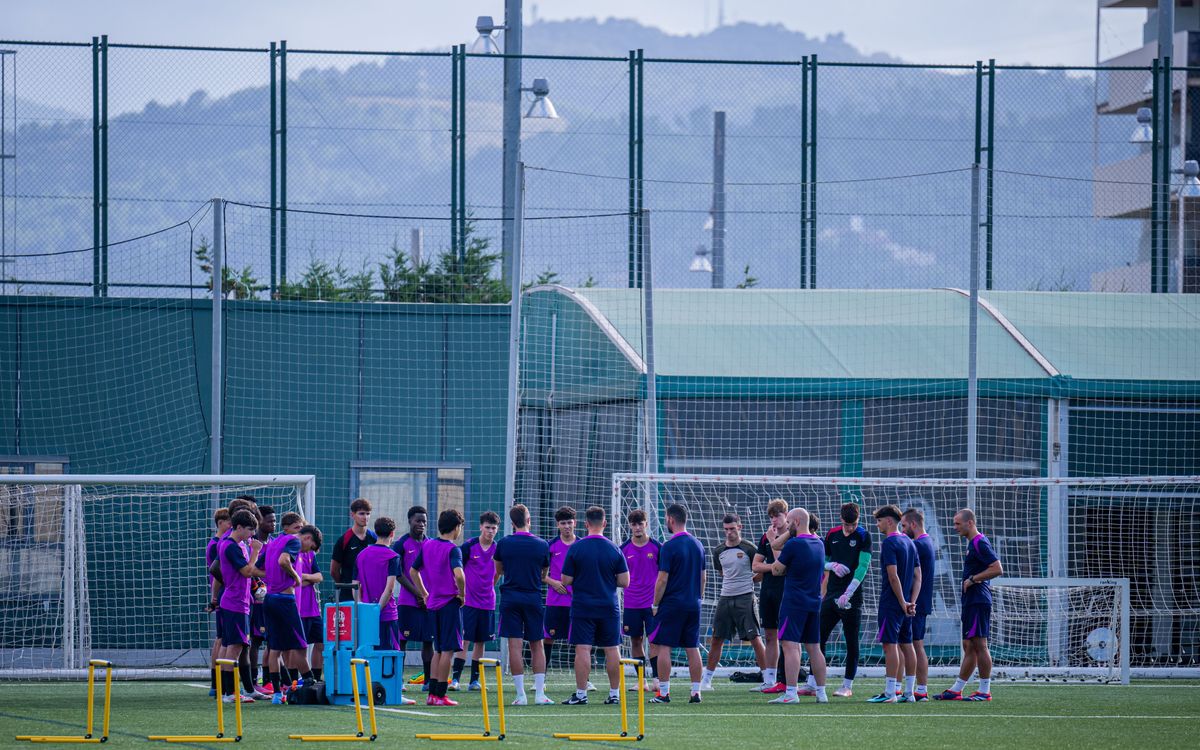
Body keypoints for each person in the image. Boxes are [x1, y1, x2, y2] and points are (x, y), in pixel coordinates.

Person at [560, 506, 629, 706]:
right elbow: (625, 581)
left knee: (583, 648)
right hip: (608, 606)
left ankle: (581, 695)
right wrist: (606, 580)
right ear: (604, 523)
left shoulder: (576, 547)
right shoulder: (614, 548)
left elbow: (565, 580)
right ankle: (614, 694)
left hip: (583, 605)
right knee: (612, 648)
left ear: (585, 524)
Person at [934, 508, 1002, 702]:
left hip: (978, 599)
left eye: (957, 523)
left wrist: (973, 579)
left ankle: (984, 691)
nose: (954, 527)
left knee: (980, 644)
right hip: (971, 600)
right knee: (968, 645)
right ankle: (957, 689)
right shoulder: (972, 543)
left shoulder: (980, 542)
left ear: (969, 523)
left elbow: (997, 568)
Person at [494, 504, 554, 705]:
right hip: (532, 597)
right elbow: (544, 573)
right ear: (529, 520)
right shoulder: (542, 544)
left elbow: (499, 569)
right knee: (537, 644)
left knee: (514, 645)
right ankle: (539, 695)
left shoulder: (503, 543)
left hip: (510, 597)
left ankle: (521, 696)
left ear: (512, 524)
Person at [768, 508, 828, 704]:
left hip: (794, 602)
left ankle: (791, 693)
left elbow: (776, 569)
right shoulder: (819, 543)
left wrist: (789, 532)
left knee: (790, 646)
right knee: (814, 648)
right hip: (813, 602)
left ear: (794, 522)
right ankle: (821, 693)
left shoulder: (794, 543)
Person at [701, 513, 765, 691]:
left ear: (740, 527)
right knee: (716, 639)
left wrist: (746, 581)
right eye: (726, 529)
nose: (729, 532)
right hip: (725, 598)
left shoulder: (750, 549)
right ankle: (706, 680)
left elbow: (760, 572)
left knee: (755, 638)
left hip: (746, 597)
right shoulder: (718, 551)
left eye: (732, 528)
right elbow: (723, 573)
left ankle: (768, 678)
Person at [356, 516, 417, 706]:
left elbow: (355, 585)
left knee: (369, 652)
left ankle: (369, 690)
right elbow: (390, 588)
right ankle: (394, 692)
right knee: (392, 652)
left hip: (365, 613)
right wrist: (377, 610)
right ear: (392, 534)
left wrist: (363, 609)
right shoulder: (393, 556)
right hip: (386, 614)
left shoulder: (362, 554)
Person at [650, 503, 706, 704]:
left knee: (665, 646)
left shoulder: (669, 546)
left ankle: (664, 693)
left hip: (672, 604)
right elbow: (703, 577)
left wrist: (655, 604)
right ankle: (696, 692)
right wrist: (696, 598)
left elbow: (662, 579)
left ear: (671, 520)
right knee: (692, 647)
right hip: (693, 604)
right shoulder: (698, 544)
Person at [411, 508, 467, 707]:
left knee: (438, 650)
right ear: (456, 527)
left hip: (433, 605)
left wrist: (425, 593)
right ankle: (441, 695)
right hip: (449, 605)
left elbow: (413, 571)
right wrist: (462, 594)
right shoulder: (453, 549)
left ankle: (432, 695)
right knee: (448, 651)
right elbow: (459, 575)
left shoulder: (427, 545)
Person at [818, 501, 872, 698]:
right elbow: (822, 561)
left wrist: (849, 592)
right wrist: (831, 566)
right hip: (832, 593)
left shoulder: (864, 536)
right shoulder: (832, 535)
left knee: (851, 641)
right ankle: (814, 681)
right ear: (841, 519)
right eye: (847, 525)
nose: (850, 528)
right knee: (818, 637)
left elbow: (863, 566)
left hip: (851, 596)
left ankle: (847, 685)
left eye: (854, 524)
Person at [867, 504, 921, 704]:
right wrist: (911, 602)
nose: (878, 525)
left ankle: (890, 693)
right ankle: (909, 692)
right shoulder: (909, 541)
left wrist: (901, 602)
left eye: (879, 521)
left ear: (889, 521)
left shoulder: (889, 542)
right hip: (907, 604)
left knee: (890, 646)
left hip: (893, 603)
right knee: (907, 646)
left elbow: (892, 575)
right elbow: (918, 576)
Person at [213, 510, 266, 704]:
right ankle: (230, 692)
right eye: (250, 530)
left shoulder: (238, 545)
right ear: (239, 527)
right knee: (233, 648)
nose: (252, 534)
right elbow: (246, 571)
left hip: (239, 602)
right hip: (234, 603)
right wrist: (256, 551)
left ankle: (230, 691)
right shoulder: (231, 546)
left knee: (232, 646)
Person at [261, 511, 315, 704]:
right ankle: (310, 681)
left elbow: (257, 569)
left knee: (274, 649)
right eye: (310, 547)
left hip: (269, 599)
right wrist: (295, 576)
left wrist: (273, 579)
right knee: (300, 645)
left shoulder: (274, 542)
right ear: (307, 537)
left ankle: (277, 694)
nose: (306, 552)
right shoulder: (293, 542)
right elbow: (283, 561)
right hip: (285, 600)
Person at [451, 511, 500, 691]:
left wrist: (489, 586)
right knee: (465, 639)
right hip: (469, 602)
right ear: (481, 527)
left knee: (481, 642)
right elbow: (457, 570)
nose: (490, 531)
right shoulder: (469, 546)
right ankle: (455, 679)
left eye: (493, 528)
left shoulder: (497, 548)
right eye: (487, 527)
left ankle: (474, 681)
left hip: (488, 603)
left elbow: (498, 573)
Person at [393, 506, 434, 691]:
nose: (421, 524)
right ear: (409, 521)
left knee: (428, 641)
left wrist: (428, 595)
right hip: (408, 602)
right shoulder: (401, 544)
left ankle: (428, 681)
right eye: (418, 520)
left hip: (429, 601)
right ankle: (398, 680)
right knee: (402, 641)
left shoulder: (431, 544)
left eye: (424, 521)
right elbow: (398, 573)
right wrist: (419, 593)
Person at [620, 509, 660, 692]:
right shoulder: (623, 550)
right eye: (634, 524)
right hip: (631, 604)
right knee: (635, 641)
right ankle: (641, 680)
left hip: (653, 605)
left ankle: (658, 680)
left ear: (646, 524)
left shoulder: (658, 548)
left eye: (640, 523)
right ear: (630, 525)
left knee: (655, 642)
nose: (637, 527)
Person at [751, 499, 788, 693]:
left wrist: (774, 565)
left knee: (787, 637)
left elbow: (780, 564)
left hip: (787, 592)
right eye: (771, 517)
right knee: (770, 635)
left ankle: (787, 679)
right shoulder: (766, 537)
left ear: (786, 516)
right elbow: (756, 565)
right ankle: (770, 679)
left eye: (777, 516)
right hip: (768, 591)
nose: (774, 520)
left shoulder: (791, 536)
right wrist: (771, 569)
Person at [902, 507, 935, 701]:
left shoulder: (918, 545)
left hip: (915, 602)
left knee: (913, 645)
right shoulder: (926, 541)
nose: (903, 529)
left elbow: (913, 576)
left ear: (913, 524)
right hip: (919, 601)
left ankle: (917, 689)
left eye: (904, 526)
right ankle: (917, 689)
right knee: (914, 644)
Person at [543, 505, 577, 672]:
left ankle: (584, 680)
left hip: (577, 602)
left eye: (569, 522)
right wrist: (554, 583)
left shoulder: (581, 545)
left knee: (580, 640)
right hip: (555, 601)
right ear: (557, 525)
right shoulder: (550, 546)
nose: (566, 526)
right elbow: (540, 574)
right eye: (563, 523)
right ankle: (541, 678)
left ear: (575, 523)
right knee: (548, 638)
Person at [249, 505, 276, 693]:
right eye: (270, 520)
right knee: (256, 640)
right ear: (260, 522)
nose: (273, 524)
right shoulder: (253, 543)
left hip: (274, 598)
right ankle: (252, 679)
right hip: (257, 600)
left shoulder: (274, 543)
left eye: (275, 520)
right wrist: (258, 587)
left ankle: (269, 680)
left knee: (273, 640)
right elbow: (248, 569)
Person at [206, 507, 232, 697]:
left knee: (221, 639)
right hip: (226, 594)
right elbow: (217, 571)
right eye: (228, 521)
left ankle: (217, 685)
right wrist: (215, 597)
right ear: (221, 522)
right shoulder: (219, 544)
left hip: (223, 594)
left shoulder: (218, 543)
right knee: (224, 640)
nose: (231, 524)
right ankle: (220, 685)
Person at [330, 498, 376, 602]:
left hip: (370, 591)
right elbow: (334, 570)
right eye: (361, 513)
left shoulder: (374, 538)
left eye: (368, 514)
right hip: (347, 594)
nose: (365, 517)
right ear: (352, 515)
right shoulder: (344, 540)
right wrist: (345, 585)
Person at [297, 524, 325, 682]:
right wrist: (306, 578)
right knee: (298, 647)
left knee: (321, 643)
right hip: (298, 608)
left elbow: (319, 577)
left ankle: (315, 678)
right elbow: (294, 580)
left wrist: (305, 577)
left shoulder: (310, 555)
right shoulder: (291, 550)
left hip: (313, 609)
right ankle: (295, 679)